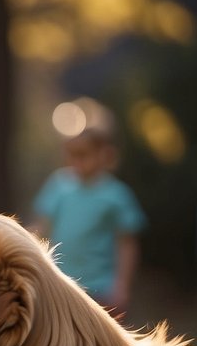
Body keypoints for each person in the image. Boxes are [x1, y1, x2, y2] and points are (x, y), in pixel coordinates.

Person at [32, 98, 146, 319]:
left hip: (101, 289)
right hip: (61, 283)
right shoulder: (58, 186)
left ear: (105, 153)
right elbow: (41, 226)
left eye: (83, 155)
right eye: (71, 154)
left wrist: (121, 284)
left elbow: (127, 243)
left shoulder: (116, 195)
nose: (76, 162)